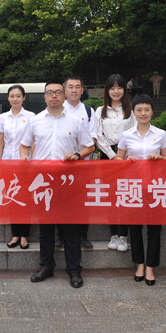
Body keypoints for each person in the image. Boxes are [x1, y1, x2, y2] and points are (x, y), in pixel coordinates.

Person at [20, 81, 95, 289]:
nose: (54, 96)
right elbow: (24, 145)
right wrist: (25, 157)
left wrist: (77, 155)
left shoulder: (76, 121)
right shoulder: (35, 121)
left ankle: (74, 270)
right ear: (44, 97)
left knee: (71, 228)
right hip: (43, 182)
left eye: (58, 92)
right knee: (45, 228)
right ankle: (46, 266)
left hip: (68, 181)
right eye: (50, 92)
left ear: (64, 96)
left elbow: (89, 146)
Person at [115, 94, 166, 286]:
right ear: (133, 112)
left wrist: (159, 158)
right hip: (134, 187)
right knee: (135, 228)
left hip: (155, 187)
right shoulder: (126, 135)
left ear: (152, 112)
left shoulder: (161, 134)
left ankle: (150, 267)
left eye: (147, 110)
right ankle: (139, 264)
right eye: (139, 110)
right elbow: (118, 159)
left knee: (154, 229)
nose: (143, 113)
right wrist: (126, 161)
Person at [94, 74, 136, 253]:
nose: (116, 91)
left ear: (125, 90)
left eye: (119, 87)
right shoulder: (100, 110)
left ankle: (123, 235)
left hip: (128, 157)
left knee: (125, 194)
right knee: (111, 197)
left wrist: (123, 155)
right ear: (107, 90)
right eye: (112, 88)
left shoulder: (131, 109)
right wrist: (112, 156)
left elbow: (136, 132)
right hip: (108, 156)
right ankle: (113, 234)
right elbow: (98, 135)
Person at [0, 84, 36, 249]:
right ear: (8, 98)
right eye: (12, 96)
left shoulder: (31, 117)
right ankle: (15, 234)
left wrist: (34, 161)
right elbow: (0, 142)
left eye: (18, 96)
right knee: (12, 199)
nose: (15, 99)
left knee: (25, 199)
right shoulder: (3, 117)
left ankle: (24, 235)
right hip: (8, 163)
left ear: (24, 98)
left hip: (25, 164)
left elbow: (33, 142)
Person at [62, 75, 97, 249]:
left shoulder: (89, 111)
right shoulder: (58, 110)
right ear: (64, 90)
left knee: (83, 201)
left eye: (77, 87)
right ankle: (60, 236)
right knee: (61, 201)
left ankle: (83, 235)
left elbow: (93, 138)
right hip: (62, 164)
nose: (74, 90)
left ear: (82, 90)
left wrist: (78, 154)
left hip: (83, 164)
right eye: (70, 87)